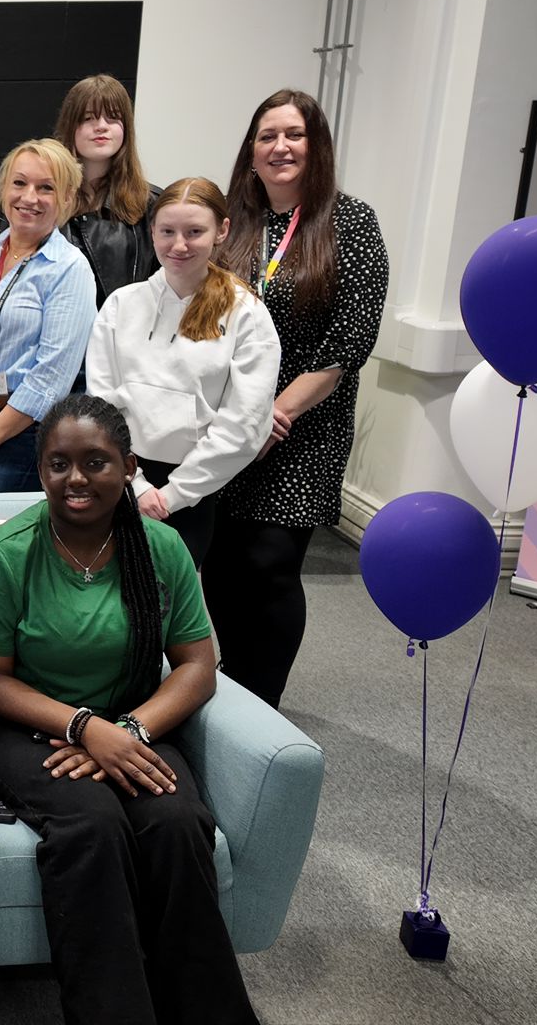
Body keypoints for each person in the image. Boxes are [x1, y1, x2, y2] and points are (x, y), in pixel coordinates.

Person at [0, 394, 257, 1025]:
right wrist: (83, 728)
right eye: (58, 463)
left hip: (134, 721)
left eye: (96, 462)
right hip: (32, 727)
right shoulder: (6, 554)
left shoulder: (161, 547)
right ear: (41, 470)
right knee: (91, 825)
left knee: (178, 822)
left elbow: (198, 666)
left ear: (129, 467)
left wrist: (128, 731)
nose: (76, 478)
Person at [205, 90, 389, 708]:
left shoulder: (349, 223)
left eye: (294, 135)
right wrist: (235, 421)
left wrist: (273, 415)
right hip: (229, 424)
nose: (279, 147)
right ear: (251, 150)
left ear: (317, 146)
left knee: (270, 565)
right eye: (267, 136)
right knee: (222, 566)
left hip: (302, 427)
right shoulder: (235, 223)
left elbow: (348, 342)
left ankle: (262, 702)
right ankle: (231, 686)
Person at [85, 178, 280, 566]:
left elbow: (245, 423)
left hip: (193, 491)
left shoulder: (246, 313)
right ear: (152, 231)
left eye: (194, 232)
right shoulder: (121, 305)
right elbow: (102, 404)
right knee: (104, 591)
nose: (179, 245)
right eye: (167, 231)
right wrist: (136, 485)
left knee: (170, 597)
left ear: (221, 231)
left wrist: (173, 495)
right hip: (121, 479)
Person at [0, 138, 97, 494]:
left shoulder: (69, 269)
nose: (30, 197)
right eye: (19, 183)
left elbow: (52, 376)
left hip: (21, 431)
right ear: (3, 188)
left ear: (66, 198)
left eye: (46, 188)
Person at [53, 74, 160, 307]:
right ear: (70, 126)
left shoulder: (154, 205)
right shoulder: (42, 200)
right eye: (88, 118)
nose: (101, 126)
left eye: (113, 117)